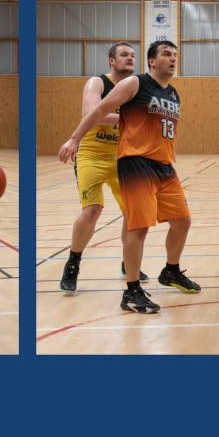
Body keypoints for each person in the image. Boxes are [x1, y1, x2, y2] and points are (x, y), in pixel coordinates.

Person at [58, 40, 198, 314]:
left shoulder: (173, 93)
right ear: (152, 61)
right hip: (124, 160)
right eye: (166, 54)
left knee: (182, 221)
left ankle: (170, 271)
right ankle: (128, 288)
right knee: (118, 218)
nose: (173, 58)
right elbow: (96, 111)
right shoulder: (130, 84)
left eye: (175, 54)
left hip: (162, 166)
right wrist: (74, 139)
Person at [59, 41, 137, 293]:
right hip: (92, 155)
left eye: (133, 55)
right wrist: (132, 117)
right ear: (111, 60)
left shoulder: (135, 87)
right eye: (124, 54)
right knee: (92, 210)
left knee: (133, 213)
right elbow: (93, 113)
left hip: (122, 158)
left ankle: (128, 263)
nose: (130, 58)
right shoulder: (98, 82)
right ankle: (73, 263)